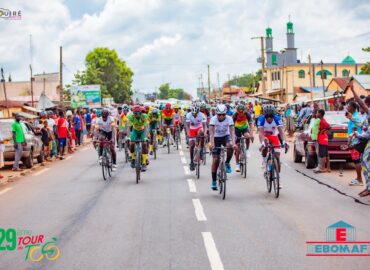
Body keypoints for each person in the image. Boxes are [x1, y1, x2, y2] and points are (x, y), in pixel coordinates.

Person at [257, 104, 288, 187]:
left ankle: (279, 178)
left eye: (271, 116)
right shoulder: (261, 119)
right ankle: (264, 160)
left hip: (274, 137)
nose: (269, 118)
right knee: (265, 147)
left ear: (273, 115)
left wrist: (284, 141)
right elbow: (260, 133)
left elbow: (281, 132)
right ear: (265, 115)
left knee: (277, 156)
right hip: (265, 136)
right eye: (267, 116)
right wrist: (262, 143)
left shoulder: (277, 118)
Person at [209, 104, 235, 190]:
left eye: (223, 114)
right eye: (219, 114)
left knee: (230, 146)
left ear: (225, 113)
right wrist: (212, 145)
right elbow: (211, 134)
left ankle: (227, 163)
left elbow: (232, 132)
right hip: (216, 138)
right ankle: (213, 181)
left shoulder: (229, 118)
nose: (221, 116)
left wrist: (234, 143)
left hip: (225, 136)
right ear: (216, 114)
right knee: (216, 159)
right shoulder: (213, 119)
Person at [346, 101, 364, 186]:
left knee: (356, 161)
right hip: (356, 141)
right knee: (356, 160)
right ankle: (358, 178)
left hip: (355, 142)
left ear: (353, 107)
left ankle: (360, 179)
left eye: (349, 106)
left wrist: (350, 143)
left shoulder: (354, 117)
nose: (347, 107)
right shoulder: (355, 116)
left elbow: (354, 131)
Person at [127, 105, 149, 172]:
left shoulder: (144, 116)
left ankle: (144, 163)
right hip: (135, 131)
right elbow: (128, 127)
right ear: (133, 113)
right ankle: (133, 159)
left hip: (143, 131)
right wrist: (128, 137)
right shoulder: (130, 117)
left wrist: (146, 137)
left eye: (139, 113)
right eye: (135, 113)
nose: (137, 115)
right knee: (131, 143)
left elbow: (146, 127)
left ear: (141, 112)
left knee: (144, 143)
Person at [233, 104, 253, 172]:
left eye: (242, 111)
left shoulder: (247, 114)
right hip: (237, 129)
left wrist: (251, 134)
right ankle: (237, 165)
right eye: (239, 111)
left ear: (244, 111)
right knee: (237, 149)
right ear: (237, 111)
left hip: (244, 128)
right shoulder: (235, 115)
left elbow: (250, 125)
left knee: (247, 135)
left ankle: (247, 149)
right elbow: (231, 126)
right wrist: (233, 135)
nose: (241, 113)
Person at [186, 106, 207, 171]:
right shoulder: (188, 115)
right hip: (192, 129)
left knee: (202, 134)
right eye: (193, 114)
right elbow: (187, 125)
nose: (194, 115)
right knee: (191, 145)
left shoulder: (202, 115)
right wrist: (188, 134)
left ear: (198, 112)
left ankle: (201, 149)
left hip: (199, 127)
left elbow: (204, 126)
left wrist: (205, 133)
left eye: (196, 114)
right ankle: (192, 161)